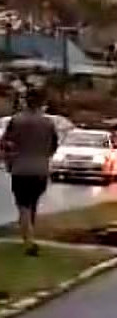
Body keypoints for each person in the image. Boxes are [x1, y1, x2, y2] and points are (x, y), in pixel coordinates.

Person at [2, 90, 59, 256]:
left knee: (23, 205)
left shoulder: (17, 120)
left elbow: (6, 143)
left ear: (26, 102)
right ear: (41, 103)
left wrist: (9, 159)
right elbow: (53, 146)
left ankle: (29, 242)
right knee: (32, 202)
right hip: (41, 169)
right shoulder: (48, 123)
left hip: (21, 168)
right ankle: (28, 235)